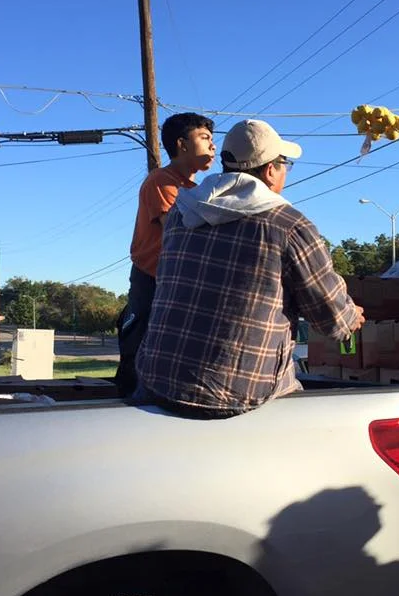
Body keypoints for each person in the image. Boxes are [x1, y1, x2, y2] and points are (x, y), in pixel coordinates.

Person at [131, 118, 364, 418]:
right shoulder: (289, 225)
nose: (285, 172)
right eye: (285, 164)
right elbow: (331, 317)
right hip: (238, 395)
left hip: (156, 383)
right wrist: (351, 317)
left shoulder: (182, 214)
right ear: (270, 171)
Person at [114, 112, 216, 396]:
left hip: (179, 281)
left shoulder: (196, 189)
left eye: (213, 139)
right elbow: (179, 229)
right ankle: (129, 399)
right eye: (205, 138)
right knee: (140, 347)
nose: (212, 145)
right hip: (151, 279)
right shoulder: (162, 181)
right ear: (182, 144)